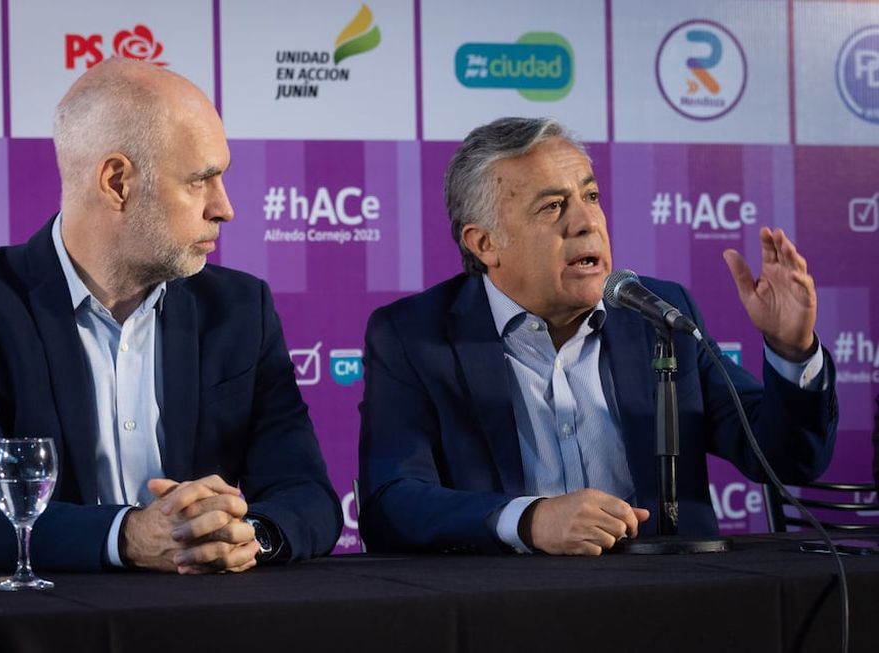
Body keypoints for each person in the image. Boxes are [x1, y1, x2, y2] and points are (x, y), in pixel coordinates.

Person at [0, 58, 342, 573]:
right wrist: (128, 536)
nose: (224, 208)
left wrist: (250, 536)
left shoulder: (242, 310)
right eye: (201, 181)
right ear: (117, 182)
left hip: (213, 621)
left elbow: (307, 494)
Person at [358, 117, 838, 555]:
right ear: (485, 244)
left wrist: (791, 351)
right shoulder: (413, 337)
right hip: (506, 608)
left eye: (590, 197)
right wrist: (529, 521)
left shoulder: (660, 315)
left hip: (675, 604)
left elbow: (788, 458)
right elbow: (392, 501)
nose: (586, 222)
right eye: (551, 207)